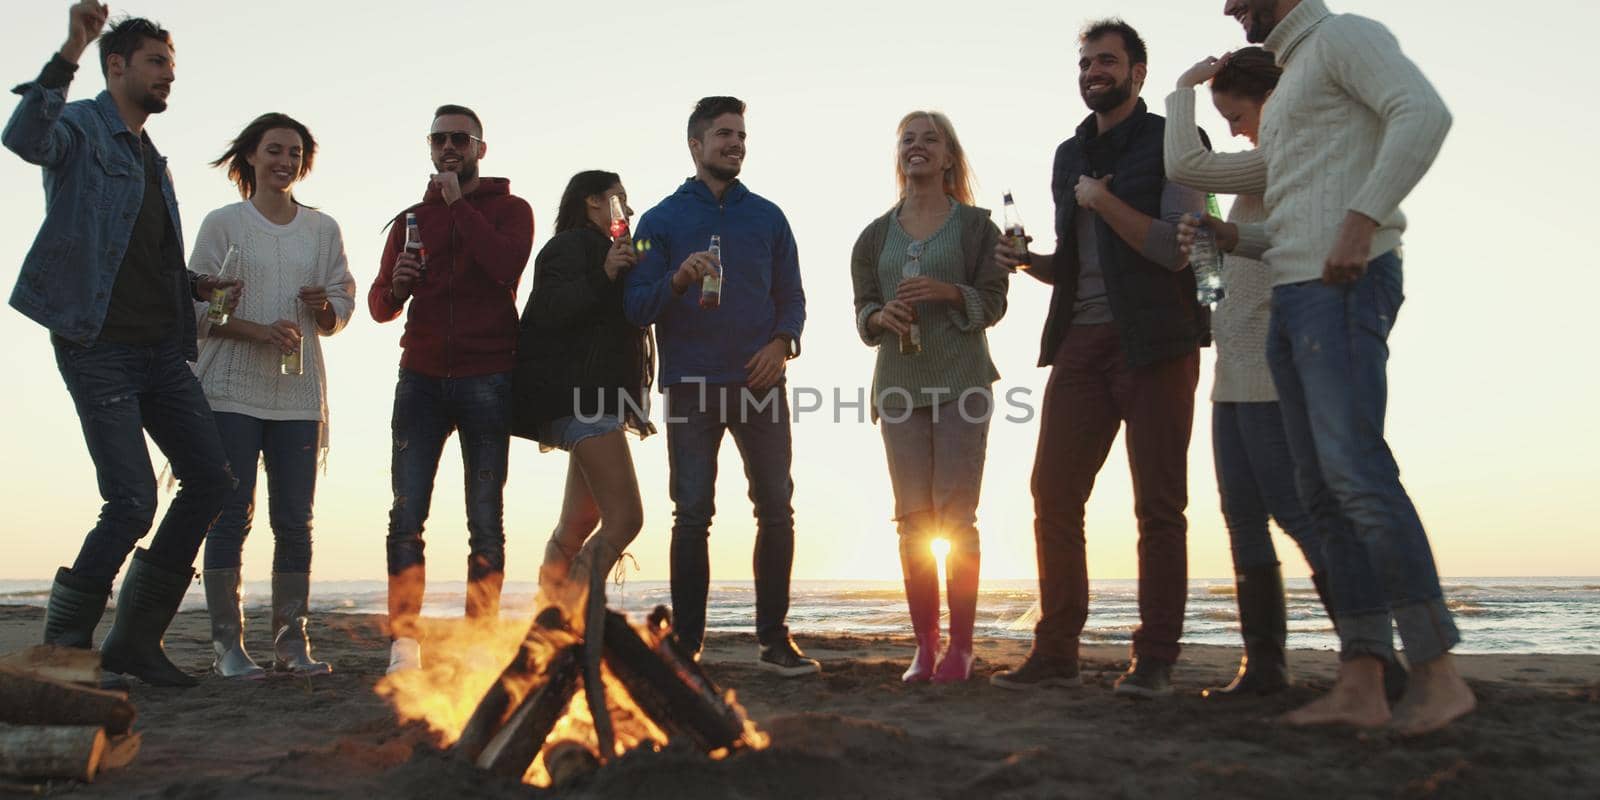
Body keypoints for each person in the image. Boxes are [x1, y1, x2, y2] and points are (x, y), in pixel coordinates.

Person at [1175, 0, 1474, 734]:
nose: (1227, 6)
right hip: (1294, 293)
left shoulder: (1346, 36)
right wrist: (1233, 237)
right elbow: (1290, 212)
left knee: (1356, 475)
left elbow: (1423, 112)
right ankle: (1362, 680)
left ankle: (1438, 677)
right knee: (1321, 492)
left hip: (1345, 286)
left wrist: (1364, 214)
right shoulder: (1291, 78)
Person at [5, 5, 238, 687]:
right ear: (117, 68)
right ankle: (66, 645)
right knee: (132, 500)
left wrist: (196, 285)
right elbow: (23, 137)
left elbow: (143, 254)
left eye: (172, 65)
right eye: (157, 63)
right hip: (96, 341)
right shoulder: (80, 126)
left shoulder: (150, 157)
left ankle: (134, 641)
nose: (169, 76)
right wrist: (72, 45)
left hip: (161, 349)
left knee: (211, 480)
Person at [989, 19, 1207, 698]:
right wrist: (1028, 262)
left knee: (1159, 506)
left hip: (1157, 343)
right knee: (1052, 493)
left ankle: (1156, 661)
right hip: (1079, 345)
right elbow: (1078, 260)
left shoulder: (1178, 141)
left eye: (1106, 62)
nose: (1093, 73)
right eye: (1086, 63)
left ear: (1139, 72)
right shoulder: (1067, 154)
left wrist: (1103, 199)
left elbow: (1175, 248)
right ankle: (1057, 651)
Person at [624, 96, 816, 676]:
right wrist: (678, 278)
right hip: (689, 387)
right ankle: (686, 646)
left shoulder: (769, 217)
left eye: (741, 135)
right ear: (696, 145)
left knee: (777, 509)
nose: (736, 143)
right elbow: (634, 305)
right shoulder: (656, 223)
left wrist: (782, 345)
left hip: (761, 385)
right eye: (724, 134)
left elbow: (794, 298)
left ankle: (773, 641)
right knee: (692, 512)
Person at [1161, 48, 1325, 697]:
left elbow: (1186, 164)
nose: (1232, 129)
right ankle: (1264, 666)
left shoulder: (1283, 157)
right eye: (1222, 115)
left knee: (1295, 510)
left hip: (1268, 375)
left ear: (1271, 100)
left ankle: (1371, 653)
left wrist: (1183, 89)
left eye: (1236, 114)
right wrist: (1207, 255)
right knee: (1241, 515)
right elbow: (1224, 293)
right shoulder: (1250, 185)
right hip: (1229, 378)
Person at [369, 104, 534, 673]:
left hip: (488, 377)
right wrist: (395, 286)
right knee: (406, 514)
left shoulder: (513, 210)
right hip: (419, 380)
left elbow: (504, 267)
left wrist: (458, 205)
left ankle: (479, 641)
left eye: (459, 138)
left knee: (484, 518)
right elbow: (378, 306)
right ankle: (405, 644)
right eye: (438, 139)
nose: (447, 147)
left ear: (480, 149)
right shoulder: (411, 219)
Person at [190, 112, 356, 679]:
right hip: (229, 389)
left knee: (294, 520)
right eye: (274, 151)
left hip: (298, 393)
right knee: (229, 515)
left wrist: (323, 307)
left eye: (295, 153)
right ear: (251, 157)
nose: (285, 162)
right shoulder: (223, 223)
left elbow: (339, 312)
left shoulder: (322, 229)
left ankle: (291, 645)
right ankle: (227, 648)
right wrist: (249, 324)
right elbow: (197, 312)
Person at [850, 111, 1008, 683]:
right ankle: (925, 645)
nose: (917, 146)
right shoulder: (874, 236)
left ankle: (961, 648)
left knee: (956, 517)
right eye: (908, 140)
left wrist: (946, 291)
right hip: (898, 385)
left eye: (930, 139)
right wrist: (879, 314)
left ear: (948, 157)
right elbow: (862, 312)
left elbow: (993, 303)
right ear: (901, 156)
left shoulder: (976, 228)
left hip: (962, 382)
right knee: (913, 521)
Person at [512, 170, 652, 607]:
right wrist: (605, 273)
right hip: (583, 399)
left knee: (577, 523)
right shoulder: (568, 247)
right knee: (625, 518)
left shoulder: (617, 251)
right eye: (619, 199)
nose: (628, 209)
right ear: (593, 202)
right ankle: (567, 615)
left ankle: (546, 612)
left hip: (602, 399)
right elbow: (546, 312)